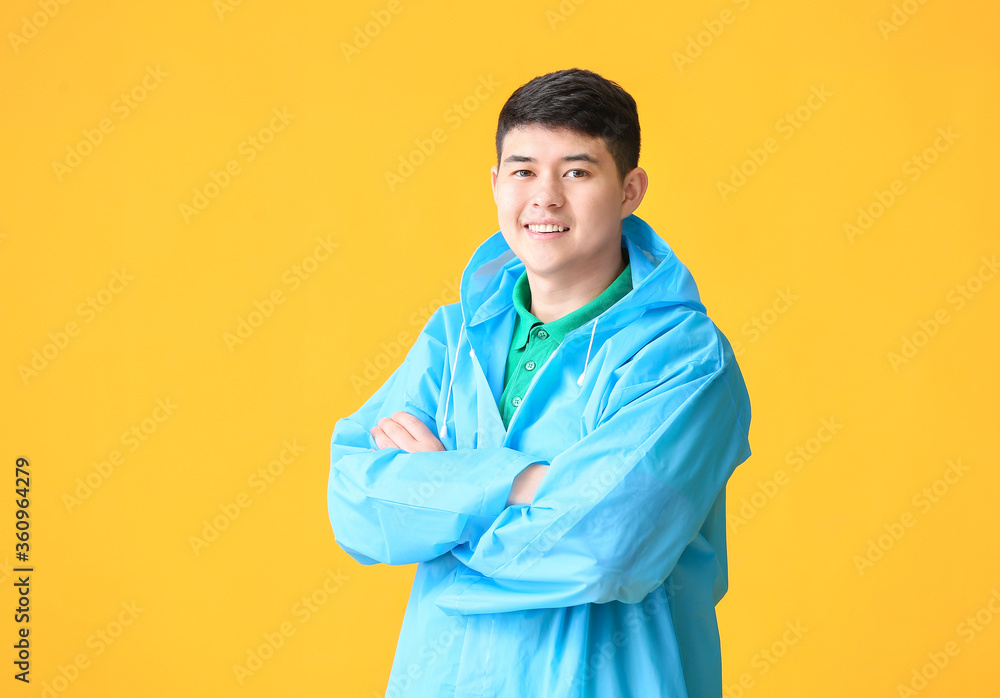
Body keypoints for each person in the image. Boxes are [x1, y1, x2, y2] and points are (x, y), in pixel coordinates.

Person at [328, 67, 752, 698]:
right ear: (496, 183)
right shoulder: (454, 338)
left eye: (576, 172)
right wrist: (525, 484)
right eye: (523, 171)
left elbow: (607, 547)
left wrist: (442, 489)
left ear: (630, 190)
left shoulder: (683, 359)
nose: (545, 198)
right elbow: (356, 504)